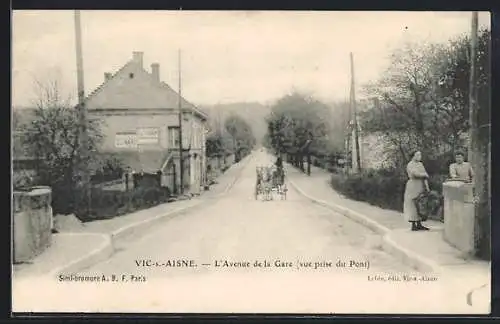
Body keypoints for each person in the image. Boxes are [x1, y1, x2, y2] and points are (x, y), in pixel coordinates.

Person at [403, 150, 430, 231]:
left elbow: (425, 175)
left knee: (420, 203)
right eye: (417, 155)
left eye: (420, 155)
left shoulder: (420, 164)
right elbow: (415, 174)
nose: (419, 156)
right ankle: (413, 224)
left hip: (420, 185)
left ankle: (419, 223)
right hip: (413, 185)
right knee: (412, 203)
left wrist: (427, 187)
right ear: (413, 156)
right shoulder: (410, 164)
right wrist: (424, 174)